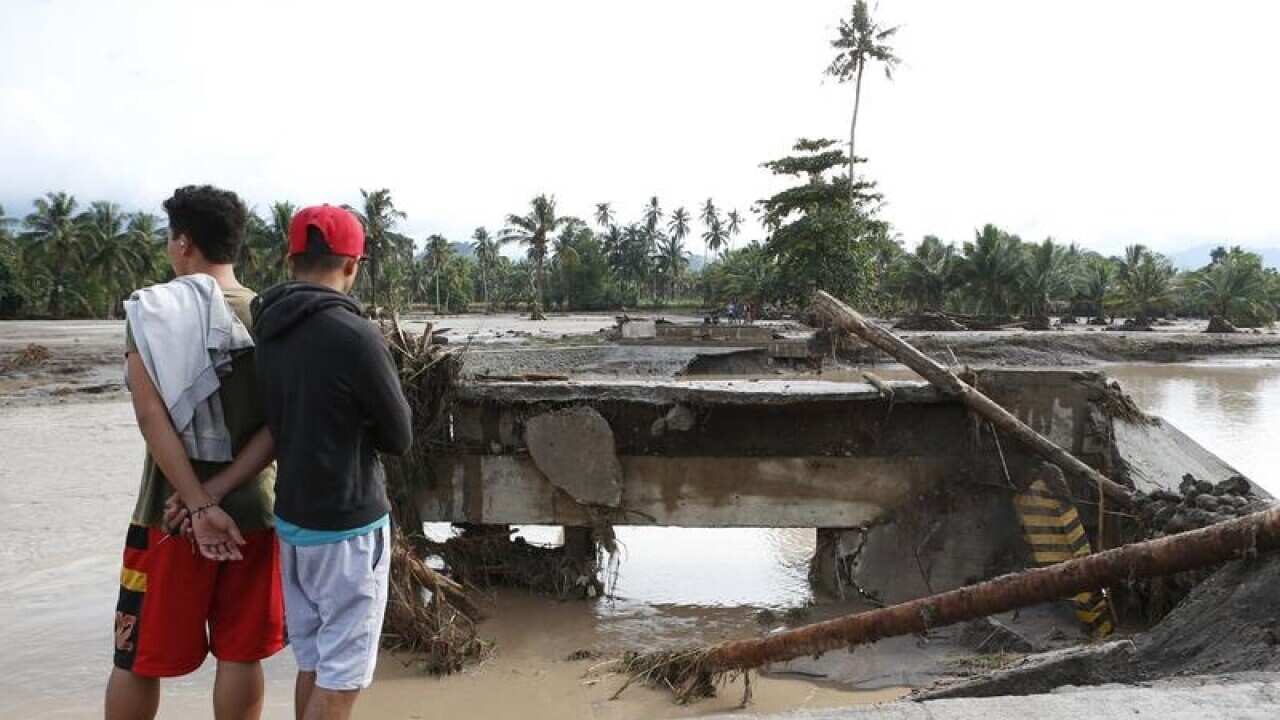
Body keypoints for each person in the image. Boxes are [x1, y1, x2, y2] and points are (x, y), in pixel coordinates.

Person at [105, 185, 284, 720]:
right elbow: (281, 423)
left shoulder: (152, 312)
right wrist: (216, 497)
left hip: (167, 515)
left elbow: (149, 415)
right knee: (240, 655)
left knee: (137, 658)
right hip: (253, 512)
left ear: (183, 244)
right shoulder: (270, 315)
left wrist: (196, 504)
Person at [252, 205, 412, 720]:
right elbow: (399, 436)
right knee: (341, 679)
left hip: (293, 520)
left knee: (314, 662)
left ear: (290, 257)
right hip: (347, 528)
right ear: (353, 264)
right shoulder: (355, 335)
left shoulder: (268, 327)